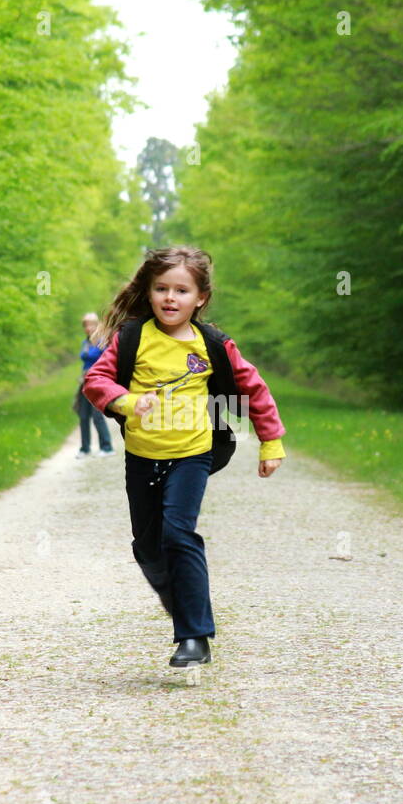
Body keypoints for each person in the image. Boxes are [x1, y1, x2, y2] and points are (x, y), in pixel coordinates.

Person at [82, 245, 285, 667]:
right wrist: (124, 401)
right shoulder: (133, 338)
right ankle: (184, 603)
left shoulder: (212, 345)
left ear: (201, 298)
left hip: (194, 452)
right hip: (141, 454)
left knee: (179, 534)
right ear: (150, 292)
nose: (170, 298)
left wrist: (271, 442)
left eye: (181, 290)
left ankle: (194, 637)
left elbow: (254, 390)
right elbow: (96, 380)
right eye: (161, 289)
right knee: (148, 548)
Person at [73, 312, 115, 458]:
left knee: (97, 415)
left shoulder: (102, 341)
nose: (88, 327)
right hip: (84, 381)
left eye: (91, 324)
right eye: (86, 325)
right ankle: (85, 448)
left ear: (97, 325)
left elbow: (108, 359)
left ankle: (107, 447)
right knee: (83, 415)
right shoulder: (85, 343)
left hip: (98, 381)